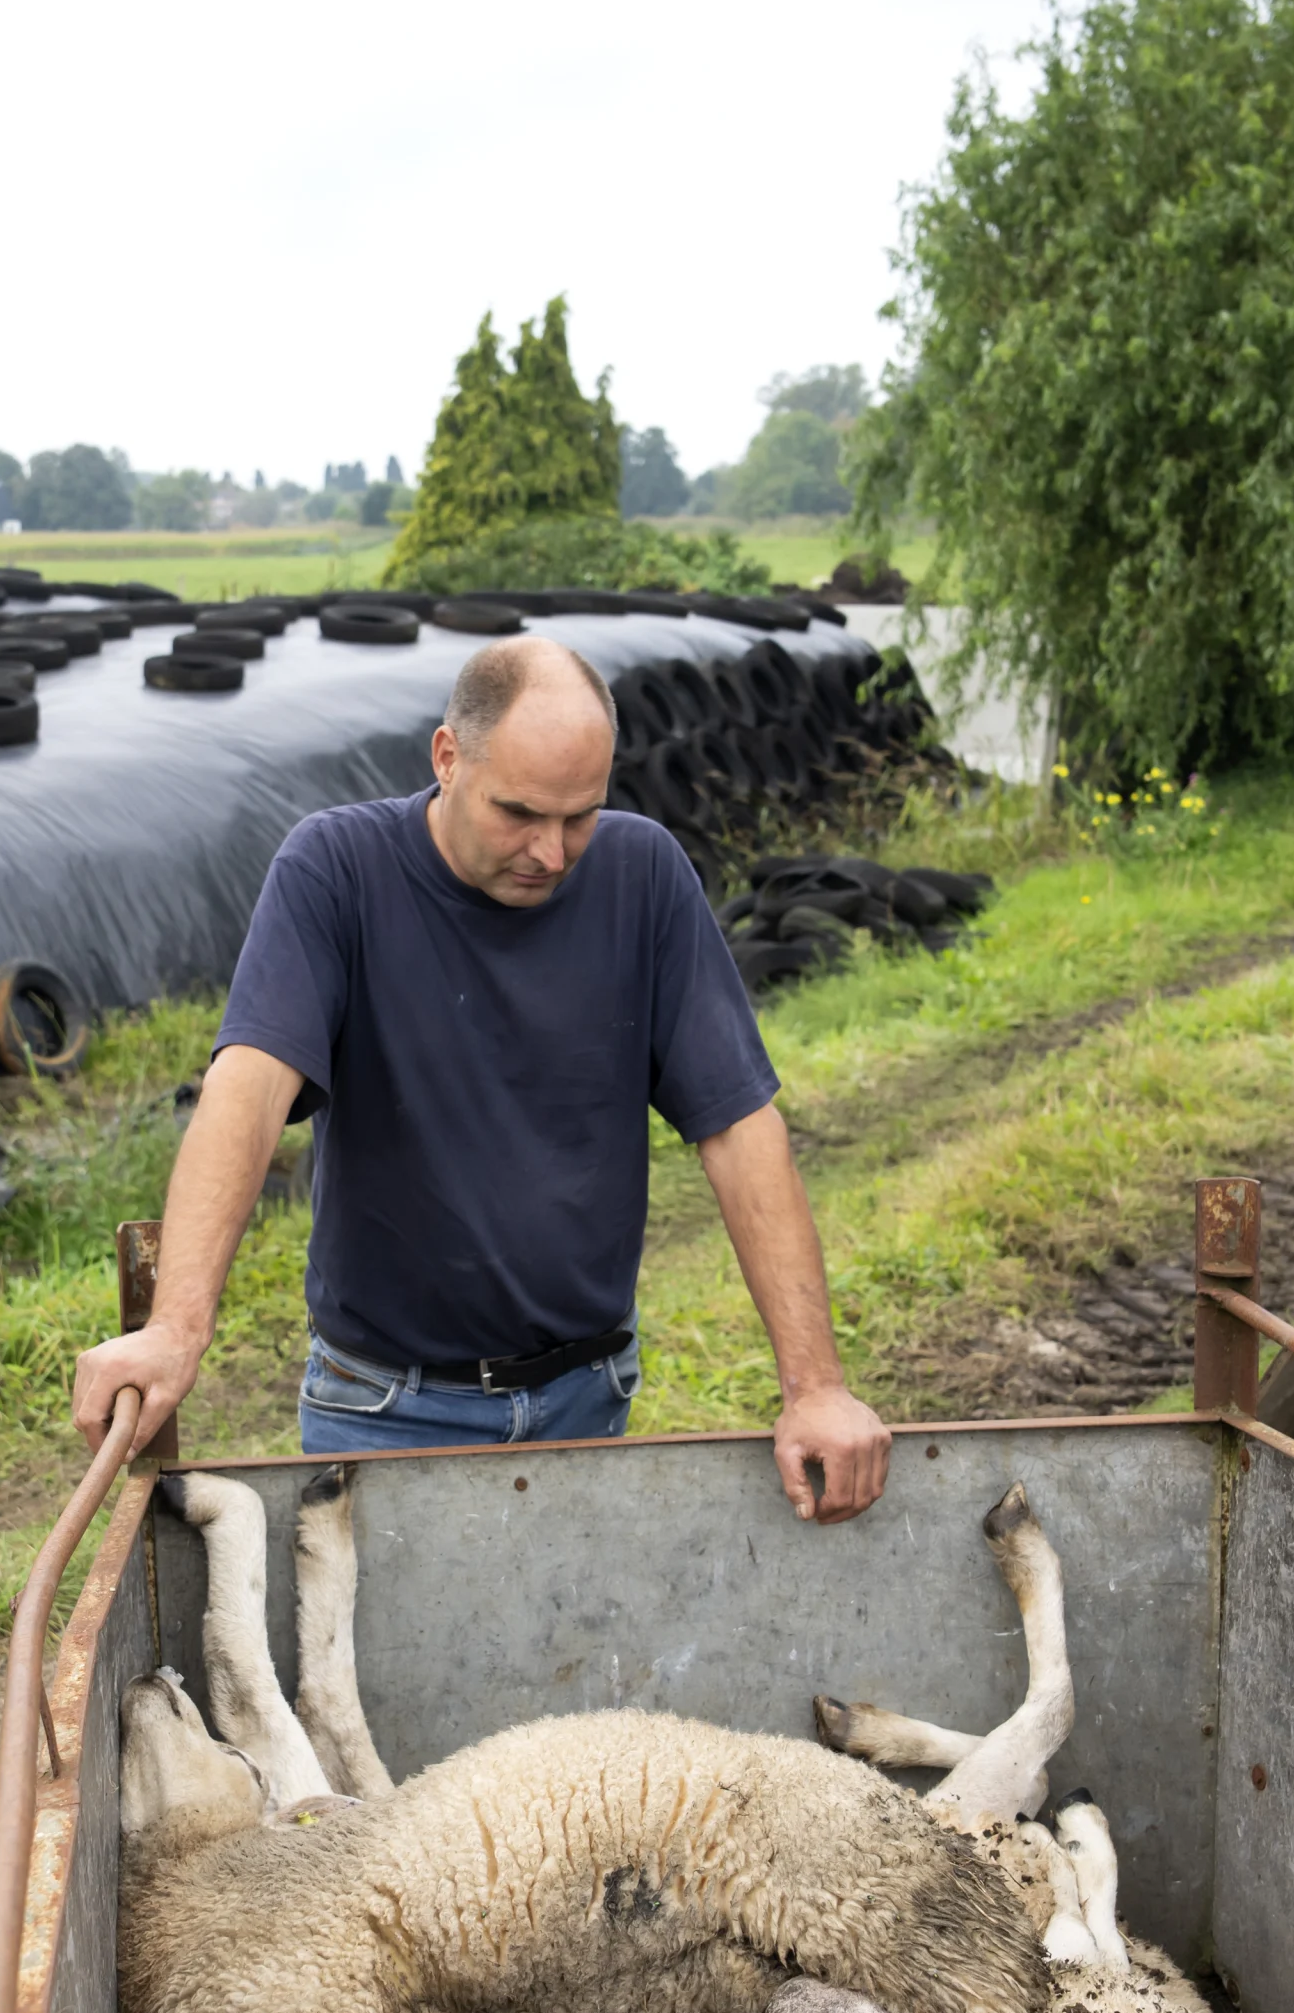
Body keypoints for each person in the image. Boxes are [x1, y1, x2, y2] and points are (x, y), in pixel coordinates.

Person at [68, 635, 893, 1522]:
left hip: (586, 1401)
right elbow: (250, 1091)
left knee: (561, 1656)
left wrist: (815, 1385)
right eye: (521, 813)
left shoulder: (642, 876)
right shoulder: (337, 872)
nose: (552, 851)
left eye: (581, 815)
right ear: (448, 757)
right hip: (385, 1410)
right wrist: (177, 1330)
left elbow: (738, 1127)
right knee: (379, 1662)